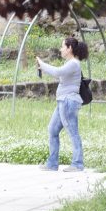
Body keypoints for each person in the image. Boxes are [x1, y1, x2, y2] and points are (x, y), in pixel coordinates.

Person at [36, 36, 89, 172]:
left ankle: (77, 164)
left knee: (73, 132)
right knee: (53, 129)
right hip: (62, 101)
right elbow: (60, 75)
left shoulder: (73, 63)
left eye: (62, 46)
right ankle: (52, 163)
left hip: (68, 102)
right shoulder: (70, 63)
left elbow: (57, 72)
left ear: (69, 48)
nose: (61, 49)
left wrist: (42, 64)